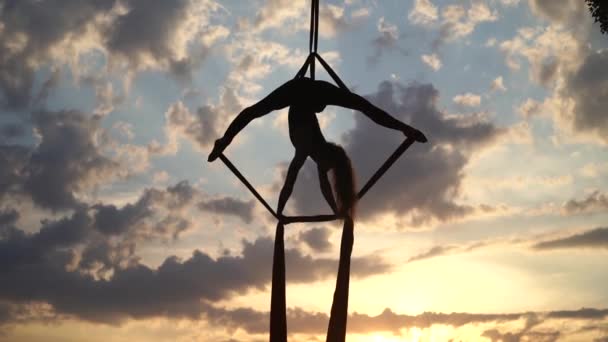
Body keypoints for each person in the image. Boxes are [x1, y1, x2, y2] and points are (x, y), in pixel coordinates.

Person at [208, 77, 427, 220]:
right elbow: (290, 180)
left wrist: (336, 212)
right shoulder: (305, 150)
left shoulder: (321, 154)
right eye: (326, 168)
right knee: (256, 111)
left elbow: (325, 186)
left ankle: (403, 127)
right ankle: (224, 139)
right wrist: (280, 211)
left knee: (362, 105)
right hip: (298, 90)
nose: (323, 172)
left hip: (314, 97)